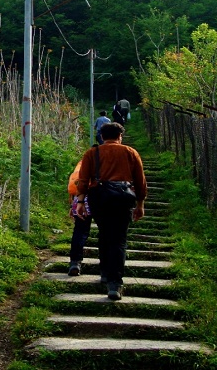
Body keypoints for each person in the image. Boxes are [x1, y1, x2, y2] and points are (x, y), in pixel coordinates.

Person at [68, 122, 147, 301]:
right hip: (122, 199)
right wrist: (140, 204)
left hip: (99, 198)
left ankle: (104, 272)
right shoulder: (130, 152)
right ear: (120, 136)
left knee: (104, 234)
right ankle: (115, 284)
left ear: (102, 137)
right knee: (119, 240)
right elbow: (140, 181)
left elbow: (83, 179)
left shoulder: (92, 153)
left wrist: (80, 201)